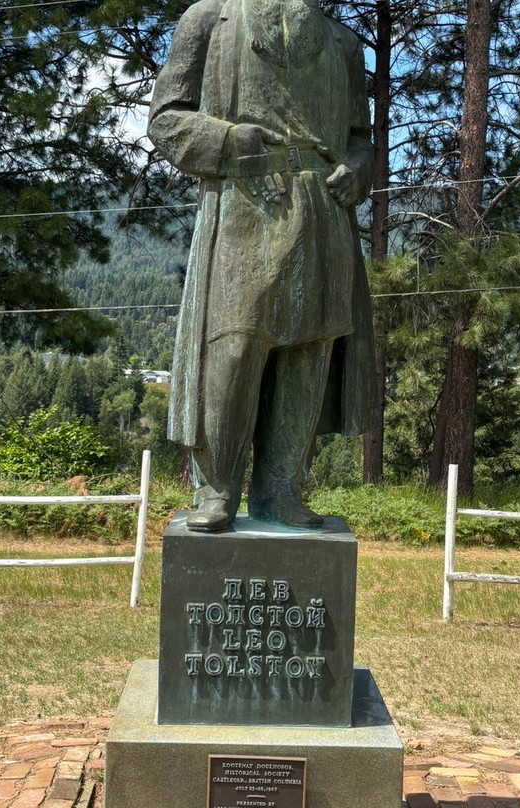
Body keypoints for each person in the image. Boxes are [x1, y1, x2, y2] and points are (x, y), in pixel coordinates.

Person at [148, 0, 375, 532]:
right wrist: (229, 141)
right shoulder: (209, 19)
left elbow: (360, 138)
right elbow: (165, 120)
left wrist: (356, 169)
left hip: (322, 213)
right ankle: (217, 488)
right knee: (233, 349)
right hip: (243, 206)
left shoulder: (342, 43)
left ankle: (281, 488)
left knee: (308, 353)